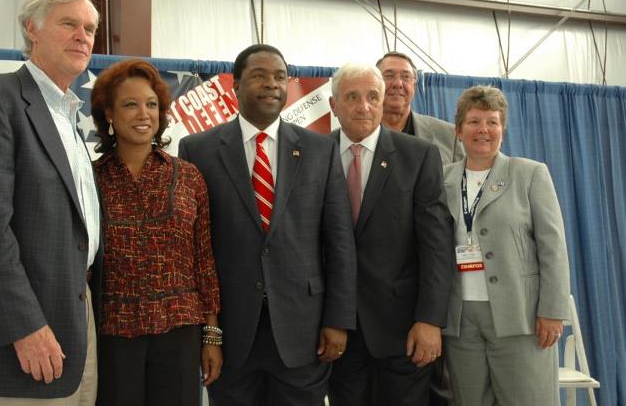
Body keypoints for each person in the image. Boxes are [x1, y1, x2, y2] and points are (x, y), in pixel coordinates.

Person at [0, 0, 102, 404]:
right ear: (31, 29)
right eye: (68, 23)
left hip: (76, 318)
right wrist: (24, 328)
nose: (82, 36)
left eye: (88, 28)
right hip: (25, 336)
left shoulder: (68, 116)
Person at [178, 44, 357, 406]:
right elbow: (194, 249)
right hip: (230, 333)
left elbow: (339, 241)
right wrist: (208, 331)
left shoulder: (320, 150)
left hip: (302, 332)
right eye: (259, 75)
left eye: (279, 77)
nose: (271, 84)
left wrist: (338, 319)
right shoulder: (198, 150)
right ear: (236, 86)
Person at [89, 59, 222, 405]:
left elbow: (204, 261)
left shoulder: (189, 177)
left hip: (179, 331)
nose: (143, 114)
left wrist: (212, 335)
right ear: (109, 115)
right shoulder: (89, 178)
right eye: (130, 105)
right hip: (113, 332)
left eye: (151, 105)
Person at [326, 63, 455, 406]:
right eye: (352, 97)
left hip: (403, 332)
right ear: (333, 104)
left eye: (372, 97)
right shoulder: (311, 155)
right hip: (336, 330)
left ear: (383, 103)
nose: (363, 106)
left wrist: (430, 320)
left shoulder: (419, 155)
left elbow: (436, 245)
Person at [442, 85, 570, 405]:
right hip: (459, 319)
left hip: (520, 316)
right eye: (473, 122)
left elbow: (552, 248)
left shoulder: (529, 174)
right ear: (458, 130)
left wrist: (553, 311)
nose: (483, 130)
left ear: (503, 129)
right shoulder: (441, 179)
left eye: (492, 122)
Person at [377, 51, 464, 165]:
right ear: (375, 84)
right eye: (389, 76)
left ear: (414, 86)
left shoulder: (449, 136)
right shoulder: (355, 133)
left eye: (406, 77)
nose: (398, 83)